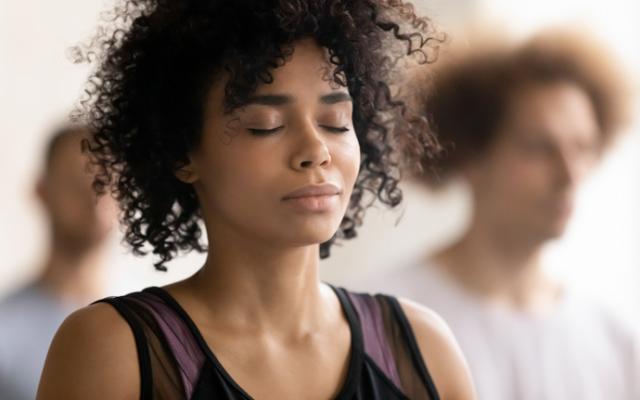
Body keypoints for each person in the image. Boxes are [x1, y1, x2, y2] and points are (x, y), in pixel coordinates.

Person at [36, 1, 476, 399]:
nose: (316, 151)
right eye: (265, 125)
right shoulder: (115, 353)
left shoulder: (423, 352)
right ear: (182, 153)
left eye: (336, 122)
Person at [365, 30, 639, 399]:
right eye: (540, 147)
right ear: (472, 157)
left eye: (583, 146)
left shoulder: (614, 341)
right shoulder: (385, 319)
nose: (570, 174)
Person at [0, 126, 115, 400]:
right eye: (76, 183)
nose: (93, 199)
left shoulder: (151, 323)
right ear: (42, 191)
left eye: (104, 184)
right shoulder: (7, 329)